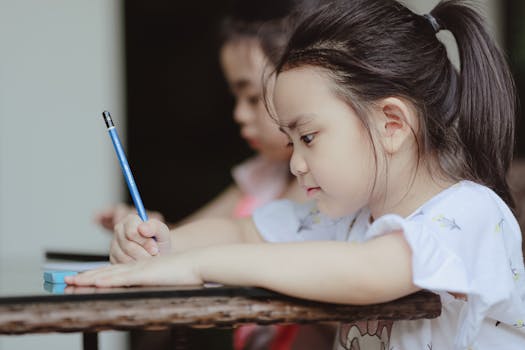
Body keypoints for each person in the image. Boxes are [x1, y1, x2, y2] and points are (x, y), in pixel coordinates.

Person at [68, 0, 525, 348]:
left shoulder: (468, 214)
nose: (295, 163)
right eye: (290, 142)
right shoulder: (345, 219)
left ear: (392, 124)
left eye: (307, 137)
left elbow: (369, 271)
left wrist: (195, 265)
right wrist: (163, 243)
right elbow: (244, 232)